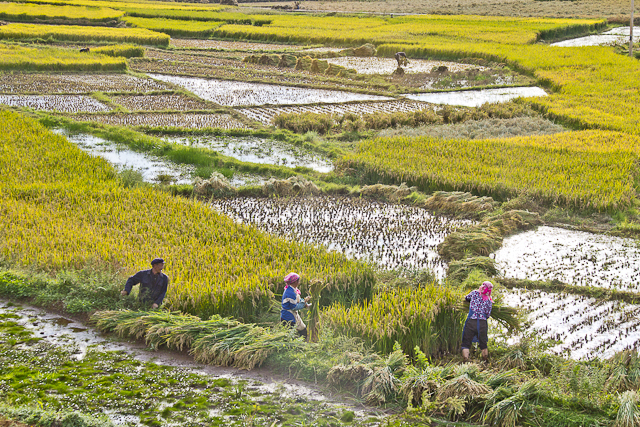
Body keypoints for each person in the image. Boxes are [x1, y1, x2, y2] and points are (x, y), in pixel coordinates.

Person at [461, 281, 493, 363]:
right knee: (483, 343)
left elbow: (466, 298)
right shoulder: (489, 300)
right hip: (482, 323)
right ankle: (485, 361)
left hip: (472, 321)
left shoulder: (474, 293)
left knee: (466, 342)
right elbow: (488, 314)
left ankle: (466, 360)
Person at [280, 272, 311, 339]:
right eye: (298, 280)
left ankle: (302, 345)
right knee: (289, 336)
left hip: (293, 314)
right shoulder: (290, 292)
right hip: (288, 317)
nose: (299, 282)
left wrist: (306, 304)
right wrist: (304, 304)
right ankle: (297, 346)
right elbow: (294, 306)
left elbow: (298, 301)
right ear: (295, 282)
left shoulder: (293, 290)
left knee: (303, 330)